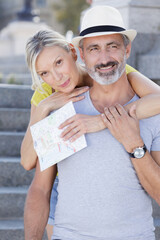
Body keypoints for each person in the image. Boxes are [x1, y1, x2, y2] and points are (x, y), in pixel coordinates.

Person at [23, 7, 160, 238]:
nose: (104, 58)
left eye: (113, 46)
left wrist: (114, 129)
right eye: (94, 48)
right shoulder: (55, 105)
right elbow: (34, 177)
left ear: (127, 49)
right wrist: (45, 109)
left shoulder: (148, 103)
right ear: (82, 54)